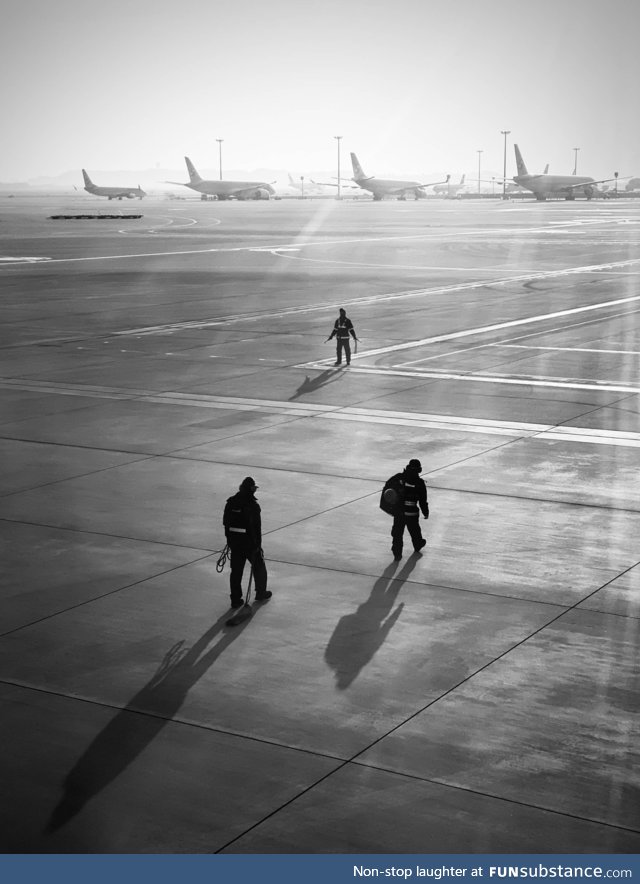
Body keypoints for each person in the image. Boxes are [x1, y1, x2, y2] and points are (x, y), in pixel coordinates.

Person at [223, 477, 271, 608]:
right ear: (251, 489)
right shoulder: (253, 506)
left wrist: (230, 540)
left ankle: (235, 599)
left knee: (236, 571)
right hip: (249, 544)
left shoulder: (231, 502)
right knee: (259, 566)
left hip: (235, 543)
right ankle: (261, 592)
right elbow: (256, 527)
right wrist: (258, 546)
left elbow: (225, 523)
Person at [388, 459, 429, 560]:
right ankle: (418, 544)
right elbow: (423, 501)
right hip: (412, 513)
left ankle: (397, 553)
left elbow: (389, 488)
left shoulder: (398, 478)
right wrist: (426, 512)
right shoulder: (420, 483)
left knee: (397, 533)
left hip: (399, 512)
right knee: (415, 531)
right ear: (419, 470)